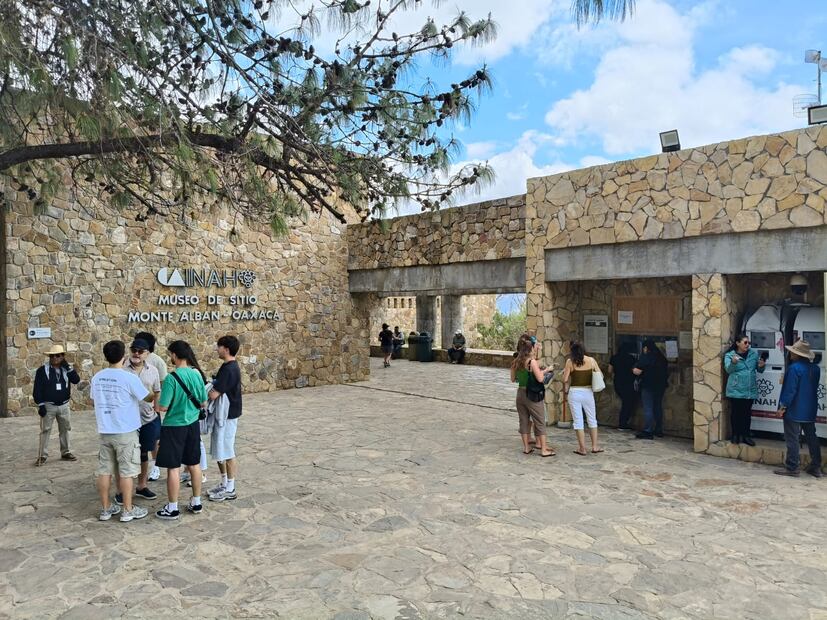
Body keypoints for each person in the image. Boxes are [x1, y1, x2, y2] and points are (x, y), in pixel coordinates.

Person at [90, 340, 152, 522]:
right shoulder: (129, 378)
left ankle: (105, 509)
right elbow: (147, 398)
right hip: (126, 431)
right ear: (123, 356)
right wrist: (152, 391)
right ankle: (127, 510)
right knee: (127, 472)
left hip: (105, 430)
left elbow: (93, 400)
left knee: (104, 471)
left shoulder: (97, 377)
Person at [154, 340, 208, 520]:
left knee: (173, 468)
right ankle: (196, 501)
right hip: (192, 425)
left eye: (170, 354)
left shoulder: (172, 378)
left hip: (173, 427)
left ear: (175, 355)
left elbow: (163, 406)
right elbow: (203, 401)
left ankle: (172, 507)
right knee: (194, 464)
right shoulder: (196, 374)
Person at [119, 338, 161, 502]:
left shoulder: (153, 371)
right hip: (127, 420)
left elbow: (157, 391)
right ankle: (122, 490)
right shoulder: (122, 369)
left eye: (140, 351)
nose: (136, 353)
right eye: (134, 350)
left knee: (144, 452)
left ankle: (141, 485)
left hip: (147, 418)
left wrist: (156, 411)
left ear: (147, 353)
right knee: (125, 455)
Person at [774, 340, 822, 478]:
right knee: (812, 437)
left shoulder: (794, 368)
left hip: (794, 408)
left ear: (797, 355)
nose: (790, 353)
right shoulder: (815, 369)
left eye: (792, 352)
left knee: (792, 438)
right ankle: (815, 466)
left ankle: (792, 467)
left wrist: (782, 407)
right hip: (810, 408)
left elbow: (790, 391)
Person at [207, 335, 242, 502]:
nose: (217, 349)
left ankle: (231, 487)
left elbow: (214, 394)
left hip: (227, 416)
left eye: (219, 346)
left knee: (227, 450)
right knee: (220, 449)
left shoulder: (229, 369)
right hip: (223, 415)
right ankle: (223, 482)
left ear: (226, 349)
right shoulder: (228, 366)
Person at [33, 344, 81, 465]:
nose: (55, 358)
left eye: (58, 355)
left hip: (64, 405)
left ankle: (66, 452)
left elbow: (76, 380)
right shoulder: (42, 370)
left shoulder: (66, 369)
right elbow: (37, 389)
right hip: (49, 405)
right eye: (52, 356)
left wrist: (69, 367)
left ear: (63, 356)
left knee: (65, 429)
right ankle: (42, 455)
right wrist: (41, 404)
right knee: (45, 430)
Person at [511, 335, 555, 457]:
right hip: (532, 394)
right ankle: (544, 449)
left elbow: (513, 379)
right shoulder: (531, 362)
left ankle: (526, 448)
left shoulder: (515, 362)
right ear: (529, 350)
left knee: (523, 420)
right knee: (540, 420)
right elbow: (540, 378)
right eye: (533, 349)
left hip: (520, 393)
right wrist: (547, 370)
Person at [134, 331, 167, 481]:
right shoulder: (128, 362)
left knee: (155, 440)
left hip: (151, 409)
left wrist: (158, 406)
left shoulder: (157, 362)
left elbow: (162, 384)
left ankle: (156, 467)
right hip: (133, 411)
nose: (137, 352)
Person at [723, 333, 766, 446]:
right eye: (745, 342)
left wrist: (761, 366)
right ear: (738, 343)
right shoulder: (730, 355)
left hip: (749, 390)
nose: (748, 344)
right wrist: (733, 363)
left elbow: (759, 370)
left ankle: (746, 436)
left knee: (746, 414)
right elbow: (728, 370)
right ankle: (735, 435)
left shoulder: (753, 354)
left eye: (749, 342)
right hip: (736, 389)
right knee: (736, 413)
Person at [563, 341, 603, 455]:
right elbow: (599, 374)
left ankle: (582, 448)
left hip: (575, 392)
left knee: (578, 421)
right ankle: (595, 446)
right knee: (592, 419)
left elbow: (565, 379)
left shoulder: (570, 362)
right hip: (588, 392)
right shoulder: (591, 360)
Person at [633, 339, 669, 440]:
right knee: (657, 407)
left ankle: (648, 430)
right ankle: (658, 429)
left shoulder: (646, 358)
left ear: (645, 348)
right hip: (660, 386)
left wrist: (634, 369)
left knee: (648, 408)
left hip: (648, 386)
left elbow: (637, 371)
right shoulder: (661, 358)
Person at [608, 342, 637, 430]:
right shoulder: (631, 358)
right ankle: (623, 423)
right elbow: (634, 370)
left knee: (625, 402)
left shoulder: (614, 357)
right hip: (628, 382)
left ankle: (623, 423)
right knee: (627, 403)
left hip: (618, 382)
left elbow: (609, 370)